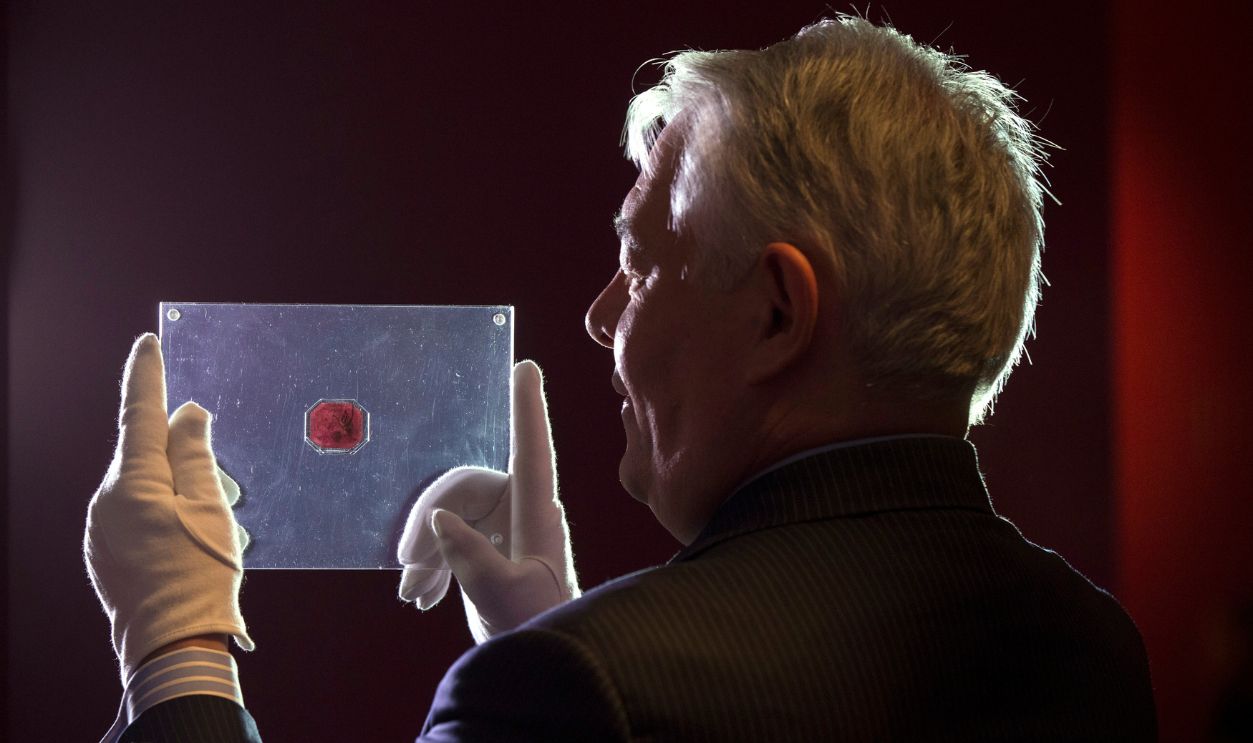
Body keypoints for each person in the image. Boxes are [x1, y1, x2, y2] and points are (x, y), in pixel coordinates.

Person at [85, 16, 1158, 742]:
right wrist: (553, 633)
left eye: (642, 261)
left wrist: (175, 653)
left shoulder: (574, 689)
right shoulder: (1089, 647)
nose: (601, 316)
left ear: (778, 311)